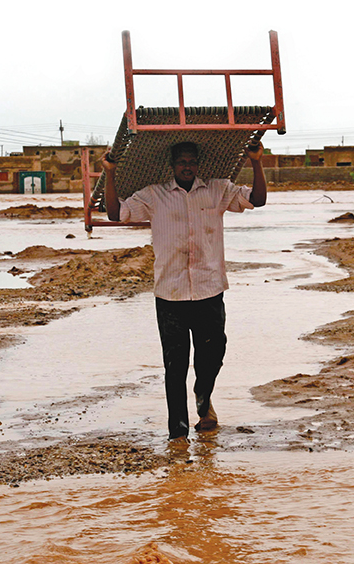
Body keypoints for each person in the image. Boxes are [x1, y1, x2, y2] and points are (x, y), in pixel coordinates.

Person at [102, 140, 266, 441]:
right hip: (170, 295)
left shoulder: (218, 190)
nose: (187, 166)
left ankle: (204, 398)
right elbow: (116, 213)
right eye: (181, 162)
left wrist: (256, 162)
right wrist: (109, 173)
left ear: (198, 165)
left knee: (212, 355)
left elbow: (257, 199)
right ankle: (177, 437)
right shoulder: (154, 196)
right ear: (173, 166)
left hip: (209, 290)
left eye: (192, 161)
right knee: (174, 367)